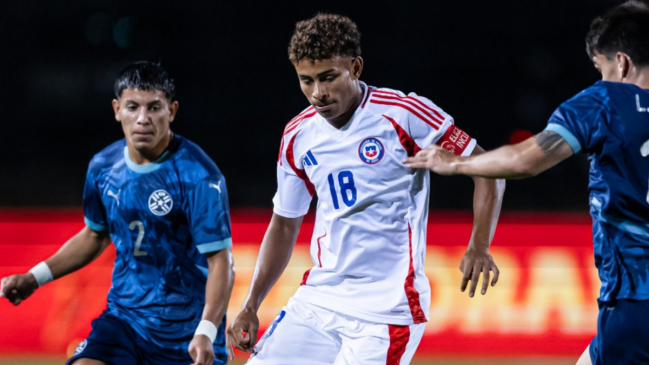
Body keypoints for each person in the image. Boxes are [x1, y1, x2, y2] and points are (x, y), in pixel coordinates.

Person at [227, 13, 505, 364]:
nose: (318, 93)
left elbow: (491, 169)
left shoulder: (403, 113)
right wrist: (251, 304)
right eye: (306, 80)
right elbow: (284, 222)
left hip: (386, 310)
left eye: (328, 77)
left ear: (355, 68)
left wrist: (479, 245)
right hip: (319, 299)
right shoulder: (297, 135)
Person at [404, 2, 649, 364]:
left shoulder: (606, 101)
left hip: (635, 300)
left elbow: (524, 161)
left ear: (622, 62)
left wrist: (457, 163)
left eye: (602, 68)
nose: (602, 79)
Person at [0, 61, 235, 365]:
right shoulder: (103, 166)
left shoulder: (199, 176)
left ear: (172, 111)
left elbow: (221, 261)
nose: (142, 119)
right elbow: (95, 235)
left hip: (187, 333)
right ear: (116, 109)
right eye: (132, 107)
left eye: (154, 108)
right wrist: (34, 278)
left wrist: (206, 329)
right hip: (125, 322)